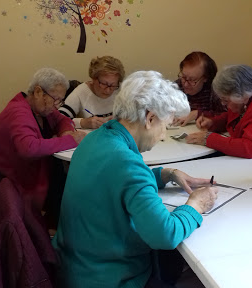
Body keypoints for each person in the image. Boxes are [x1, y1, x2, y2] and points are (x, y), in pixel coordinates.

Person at [52, 71, 218, 287]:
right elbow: (165, 235)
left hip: (77, 266)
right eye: (165, 125)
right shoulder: (127, 164)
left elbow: (115, 180)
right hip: (110, 277)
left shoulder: (96, 138)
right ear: (149, 118)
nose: (163, 135)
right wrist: (196, 204)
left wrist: (166, 174)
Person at [0, 68, 86, 212]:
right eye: (56, 100)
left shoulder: (41, 109)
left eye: (60, 101)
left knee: (77, 186)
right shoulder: (19, 112)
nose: (57, 106)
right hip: (9, 183)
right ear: (38, 92)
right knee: (76, 197)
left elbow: (64, 120)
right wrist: (71, 140)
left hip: (33, 171)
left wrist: (66, 132)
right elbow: (29, 148)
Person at [186, 65, 252, 159]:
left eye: (226, 100)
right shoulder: (245, 101)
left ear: (242, 95)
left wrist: (209, 138)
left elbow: (251, 148)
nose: (223, 104)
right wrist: (213, 122)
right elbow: (234, 118)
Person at [59, 55, 125, 129]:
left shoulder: (120, 89)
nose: (108, 90)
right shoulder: (81, 92)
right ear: (93, 78)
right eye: (103, 84)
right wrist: (82, 122)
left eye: (113, 85)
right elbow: (58, 120)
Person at [172, 51, 226, 126]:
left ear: (205, 78)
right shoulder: (177, 86)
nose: (186, 84)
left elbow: (228, 117)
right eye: (184, 77)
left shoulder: (215, 90)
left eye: (192, 80)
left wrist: (198, 113)